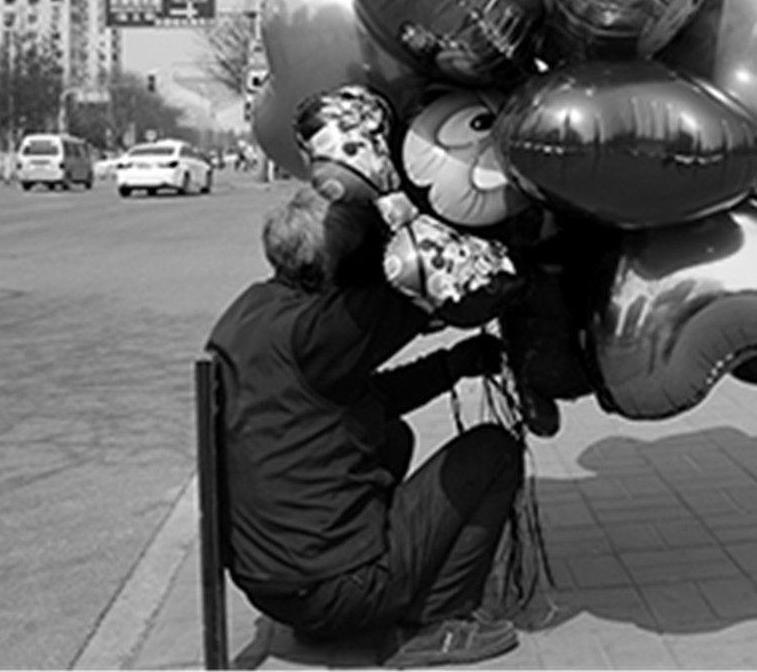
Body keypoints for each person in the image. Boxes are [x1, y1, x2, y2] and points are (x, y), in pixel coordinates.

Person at [206, 188, 526, 667]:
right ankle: (437, 621)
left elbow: (366, 399)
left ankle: (346, 603)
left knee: (392, 436)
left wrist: (451, 365)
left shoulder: (256, 309)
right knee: (494, 452)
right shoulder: (321, 332)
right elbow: (430, 276)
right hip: (337, 590)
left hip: (275, 587)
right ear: (335, 269)